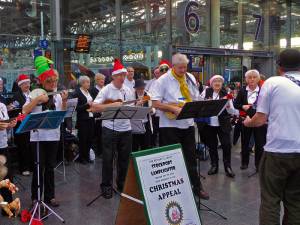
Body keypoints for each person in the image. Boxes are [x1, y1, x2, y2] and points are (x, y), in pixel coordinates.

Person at [244, 49, 300, 225]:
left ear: (279, 66)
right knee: (296, 202)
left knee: (270, 201)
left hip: (278, 151)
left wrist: (247, 123)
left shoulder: (273, 82)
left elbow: (260, 119)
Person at [151, 53, 209, 200]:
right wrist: (173, 109)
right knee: (170, 158)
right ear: (173, 66)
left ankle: (197, 187)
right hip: (169, 126)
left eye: (185, 67)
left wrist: (202, 104)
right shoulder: (163, 80)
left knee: (191, 157)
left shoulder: (189, 77)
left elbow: (196, 97)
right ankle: (171, 189)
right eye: (180, 68)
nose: (183, 70)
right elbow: (155, 103)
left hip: (188, 124)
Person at [23, 57, 68, 209]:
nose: (53, 84)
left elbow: (62, 116)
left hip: (53, 136)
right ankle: (36, 198)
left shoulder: (56, 95)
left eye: (55, 81)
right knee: (38, 168)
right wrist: (37, 100)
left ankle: (50, 196)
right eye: (50, 82)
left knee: (50, 167)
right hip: (38, 137)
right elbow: (25, 110)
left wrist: (65, 101)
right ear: (43, 82)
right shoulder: (35, 93)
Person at [91, 59, 134, 199]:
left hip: (126, 129)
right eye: (120, 75)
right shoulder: (106, 89)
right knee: (108, 159)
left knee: (124, 159)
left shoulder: (128, 90)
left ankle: (122, 185)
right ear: (114, 76)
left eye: (124, 75)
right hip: (109, 128)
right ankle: (106, 186)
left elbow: (131, 108)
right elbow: (94, 107)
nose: (122, 77)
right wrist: (112, 106)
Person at [200, 75, 237, 178]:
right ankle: (214, 166)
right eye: (215, 81)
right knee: (212, 146)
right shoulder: (206, 92)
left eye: (219, 81)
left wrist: (229, 106)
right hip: (209, 124)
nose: (217, 83)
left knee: (226, 145)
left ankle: (227, 167)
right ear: (211, 83)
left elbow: (232, 111)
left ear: (222, 84)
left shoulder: (226, 93)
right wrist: (205, 104)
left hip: (223, 123)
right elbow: (199, 105)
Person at [234, 70, 267, 171]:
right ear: (246, 79)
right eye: (249, 77)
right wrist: (242, 106)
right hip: (246, 121)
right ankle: (244, 163)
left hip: (259, 122)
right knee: (245, 143)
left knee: (260, 144)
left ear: (258, 79)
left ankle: (258, 165)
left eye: (254, 77)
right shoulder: (243, 91)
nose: (252, 79)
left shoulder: (263, 90)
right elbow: (236, 104)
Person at [13, 74, 32, 176]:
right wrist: (23, 118)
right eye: (24, 83)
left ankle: (32, 166)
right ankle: (24, 167)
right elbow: (15, 113)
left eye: (28, 83)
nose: (27, 85)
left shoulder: (33, 94)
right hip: (21, 125)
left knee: (31, 146)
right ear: (20, 85)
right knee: (23, 147)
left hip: (32, 124)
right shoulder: (16, 96)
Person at [73, 76, 95, 164]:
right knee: (83, 139)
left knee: (90, 138)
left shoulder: (89, 92)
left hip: (91, 118)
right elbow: (76, 108)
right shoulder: (77, 93)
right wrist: (87, 105)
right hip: (82, 120)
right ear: (82, 83)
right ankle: (82, 158)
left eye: (89, 82)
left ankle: (87, 157)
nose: (88, 84)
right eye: (87, 82)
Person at [0, 101, 17, 210]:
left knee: (6, 177)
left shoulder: (2, 106)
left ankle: (7, 208)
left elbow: (5, 127)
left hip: (3, 145)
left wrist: (10, 125)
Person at [132, 79, 152, 152]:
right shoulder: (131, 95)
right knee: (134, 146)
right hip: (134, 123)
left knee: (146, 145)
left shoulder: (148, 95)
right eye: (139, 89)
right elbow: (129, 108)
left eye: (142, 88)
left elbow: (153, 107)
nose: (141, 90)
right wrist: (136, 105)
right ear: (136, 88)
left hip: (146, 123)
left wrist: (152, 110)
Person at [90, 73, 106, 156]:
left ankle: (104, 151)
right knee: (98, 134)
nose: (102, 81)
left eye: (103, 79)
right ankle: (99, 152)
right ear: (96, 81)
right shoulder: (93, 90)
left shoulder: (106, 89)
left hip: (106, 114)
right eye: (100, 79)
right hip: (97, 115)